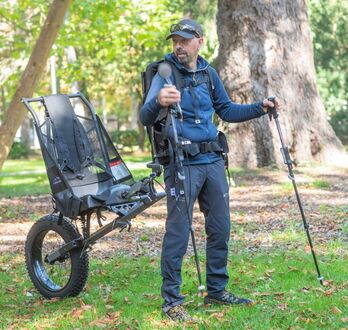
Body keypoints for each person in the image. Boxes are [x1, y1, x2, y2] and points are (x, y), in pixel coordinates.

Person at [140, 18, 279, 322]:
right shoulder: (164, 73)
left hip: (213, 161)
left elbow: (226, 109)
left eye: (185, 40)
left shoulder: (209, 73)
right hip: (181, 163)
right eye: (175, 40)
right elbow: (145, 115)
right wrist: (159, 101)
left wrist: (260, 107)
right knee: (178, 231)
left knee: (220, 228)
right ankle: (172, 300)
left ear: (199, 41)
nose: (178, 45)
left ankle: (216, 290)